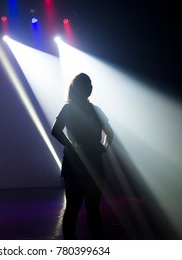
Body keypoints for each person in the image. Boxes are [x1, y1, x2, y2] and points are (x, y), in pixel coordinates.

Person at [51, 73, 114, 239]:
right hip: (78, 164)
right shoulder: (73, 109)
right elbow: (55, 130)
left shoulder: (83, 109)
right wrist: (102, 148)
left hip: (84, 163)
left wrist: (73, 149)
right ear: (78, 88)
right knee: (79, 208)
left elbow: (110, 133)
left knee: (81, 208)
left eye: (90, 84)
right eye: (86, 84)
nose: (89, 87)